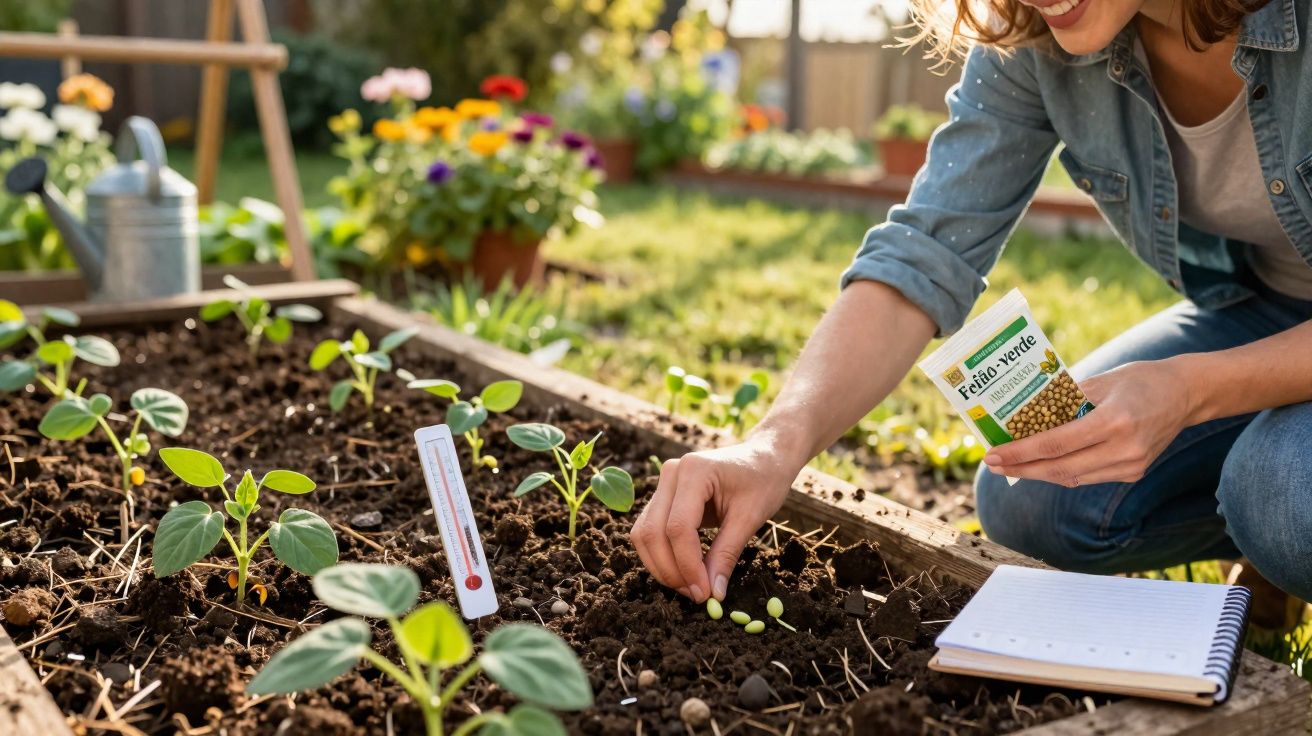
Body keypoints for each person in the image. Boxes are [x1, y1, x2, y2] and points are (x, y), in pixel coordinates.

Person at [629, 0, 1312, 627]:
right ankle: (1265, 525)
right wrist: (772, 446)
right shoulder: (1039, 36)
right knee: (1034, 494)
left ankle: (1272, 516)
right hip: (1269, 312)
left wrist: (1191, 389)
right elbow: (926, 250)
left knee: (1282, 496)